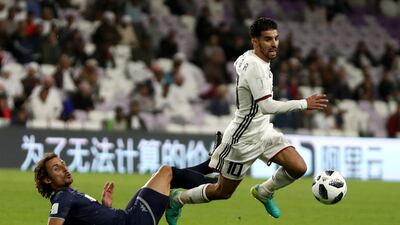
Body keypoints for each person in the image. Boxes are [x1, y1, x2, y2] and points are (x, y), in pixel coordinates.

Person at [166, 17, 328, 225]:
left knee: (298, 167)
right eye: (268, 39)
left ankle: (264, 191)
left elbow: (240, 64)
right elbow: (267, 107)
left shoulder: (251, 58)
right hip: (242, 140)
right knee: (221, 191)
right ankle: (177, 200)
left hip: (263, 131)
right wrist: (304, 103)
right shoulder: (255, 68)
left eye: (276, 38)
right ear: (255, 41)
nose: (274, 43)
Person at [34, 152, 218, 225]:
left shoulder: (69, 195)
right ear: (47, 180)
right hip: (132, 222)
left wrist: (104, 206)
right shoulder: (62, 197)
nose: (64, 168)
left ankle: (209, 166)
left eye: (63, 163)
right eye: (56, 169)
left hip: (126, 217)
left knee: (159, 178)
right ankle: (217, 180)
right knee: (166, 172)